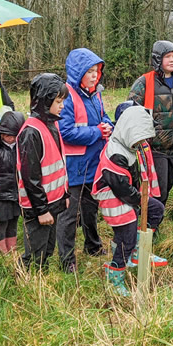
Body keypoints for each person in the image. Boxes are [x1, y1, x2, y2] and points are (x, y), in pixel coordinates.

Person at [93, 103, 167, 296]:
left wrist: (141, 200)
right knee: (126, 236)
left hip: (127, 195)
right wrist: (139, 200)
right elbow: (120, 187)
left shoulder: (129, 146)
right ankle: (115, 277)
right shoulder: (117, 153)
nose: (142, 143)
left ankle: (137, 251)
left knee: (156, 209)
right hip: (112, 198)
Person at [57, 48, 112, 272]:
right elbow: (66, 131)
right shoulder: (67, 95)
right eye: (89, 71)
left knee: (91, 209)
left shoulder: (95, 93)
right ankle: (67, 259)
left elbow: (103, 116)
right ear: (78, 72)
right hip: (74, 166)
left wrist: (109, 126)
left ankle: (93, 245)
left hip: (94, 163)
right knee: (69, 215)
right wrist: (98, 132)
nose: (93, 75)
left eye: (96, 71)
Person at [128, 41, 173, 208]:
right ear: (158, 59)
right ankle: (149, 226)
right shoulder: (144, 82)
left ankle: (156, 222)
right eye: (168, 57)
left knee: (167, 189)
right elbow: (130, 111)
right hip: (155, 149)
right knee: (159, 191)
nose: (172, 60)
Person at [17, 73, 70, 270]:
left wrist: (64, 194)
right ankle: (29, 285)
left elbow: (58, 164)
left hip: (53, 203)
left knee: (48, 250)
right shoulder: (31, 132)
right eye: (58, 101)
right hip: (39, 207)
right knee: (35, 254)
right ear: (45, 101)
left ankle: (41, 279)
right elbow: (31, 177)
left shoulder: (52, 124)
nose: (62, 106)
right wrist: (42, 210)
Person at [0, 110, 25, 253]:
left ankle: (12, 249)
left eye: (13, 135)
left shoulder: (22, 147)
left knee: (14, 220)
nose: (9, 138)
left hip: (16, 192)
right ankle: (1, 250)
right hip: (1, 193)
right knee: (1, 222)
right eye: (6, 134)